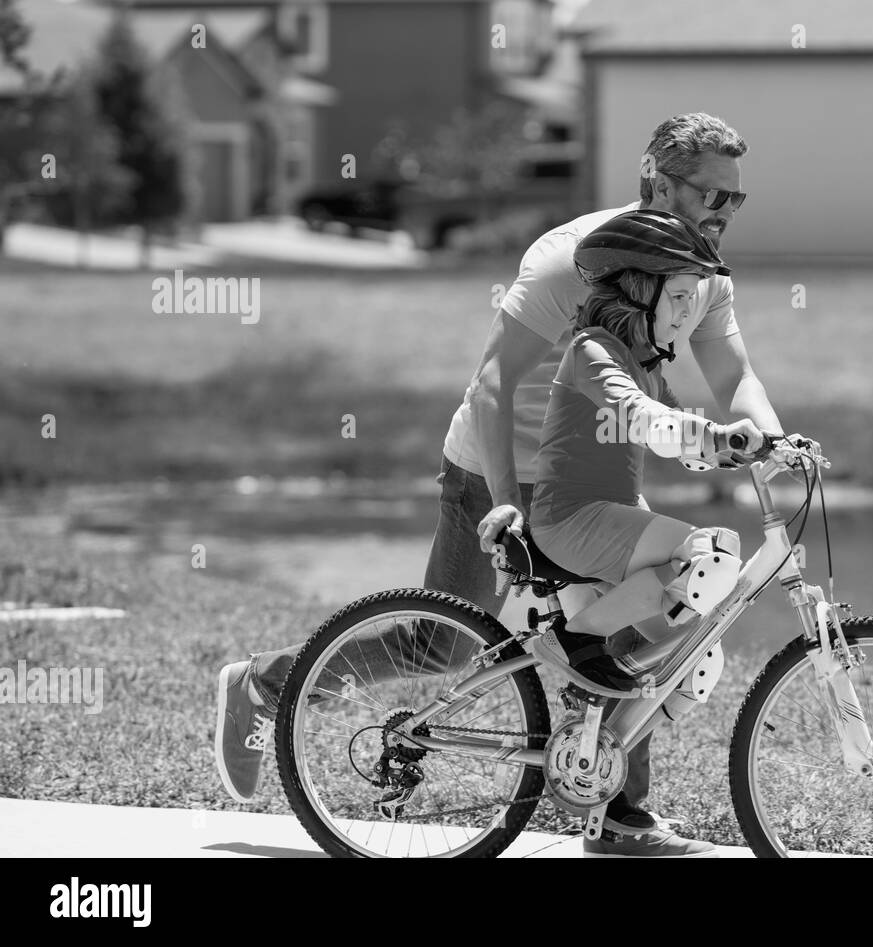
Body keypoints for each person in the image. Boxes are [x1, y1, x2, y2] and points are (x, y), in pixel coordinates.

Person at [216, 112, 784, 857]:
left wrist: (773, 442)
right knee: (438, 645)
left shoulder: (701, 276)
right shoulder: (571, 261)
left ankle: (617, 817)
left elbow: (733, 374)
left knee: (639, 622)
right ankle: (262, 682)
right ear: (656, 179)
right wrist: (509, 501)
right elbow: (493, 382)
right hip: (495, 469)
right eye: (711, 196)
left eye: (734, 201)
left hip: (591, 474)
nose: (723, 215)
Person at [526, 208, 762, 706]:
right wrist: (713, 433)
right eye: (678, 297)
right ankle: (576, 640)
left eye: (691, 299)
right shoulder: (593, 351)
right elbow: (645, 420)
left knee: (695, 664)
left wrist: (750, 446)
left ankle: (590, 759)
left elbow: (684, 439)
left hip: (613, 517)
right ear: (637, 290)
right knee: (711, 554)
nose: (684, 312)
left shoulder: (645, 366)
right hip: (571, 519)